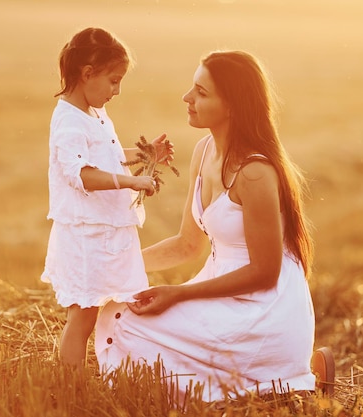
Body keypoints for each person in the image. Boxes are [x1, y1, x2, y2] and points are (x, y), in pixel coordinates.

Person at [95, 50, 320, 400]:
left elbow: (265, 273)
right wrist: (114, 266)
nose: (187, 98)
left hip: (263, 310)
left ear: (232, 105)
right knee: (116, 311)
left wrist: (178, 294)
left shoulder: (255, 172)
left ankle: (276, 379)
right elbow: (188, 244)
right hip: (222, 290)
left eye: (201, 92)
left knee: (127, 324)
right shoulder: (204, 150)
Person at [41, 27, 173, 367]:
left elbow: (104, 157)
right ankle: (71, 386)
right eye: (114, 81)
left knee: (107, 308)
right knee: (82, 317)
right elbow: (81, 173)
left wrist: (146, 153)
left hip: (102, 230)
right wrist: (131, 182)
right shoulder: (69, 121)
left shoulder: (93, 113)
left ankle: (112, 367)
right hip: (86, 234)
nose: (117, 90)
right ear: (88, 74)